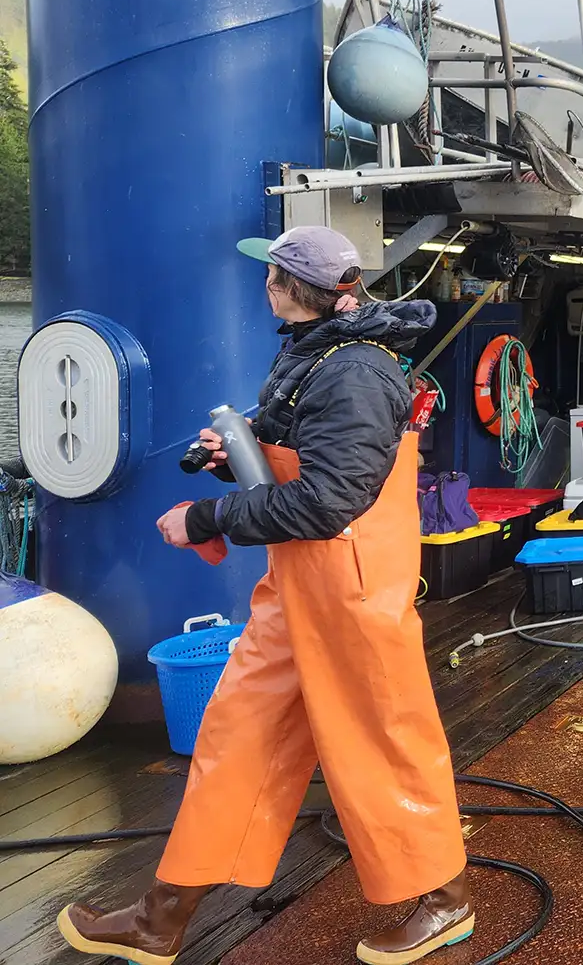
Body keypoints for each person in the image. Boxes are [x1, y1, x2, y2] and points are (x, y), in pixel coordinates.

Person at [59, 227, 473, 965]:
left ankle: (444, 901)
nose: (266, 285)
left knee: (381, 742)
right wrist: (236, 458)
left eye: (272, 275)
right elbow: (295, 471)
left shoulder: (353, 372)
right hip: (296, 587)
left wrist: (205, 517)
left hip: (350, 589)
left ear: (286, 287)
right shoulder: (314, 351)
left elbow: (328, 503)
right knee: (235, 735)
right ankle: (161, 916)